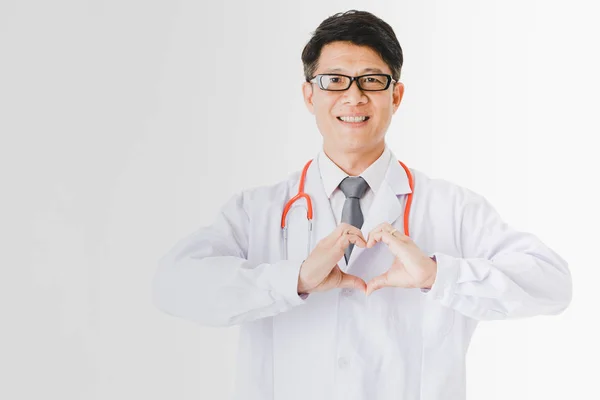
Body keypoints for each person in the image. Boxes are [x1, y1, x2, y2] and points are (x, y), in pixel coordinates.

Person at [151, 10, 572, 400]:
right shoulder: (257, 210)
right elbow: (173, 285)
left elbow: (553, 283)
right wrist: (293, 280)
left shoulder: (453, 208)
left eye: (372, 80)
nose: (354, 97)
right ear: (308, 94)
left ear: (397, 95)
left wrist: (438, 274)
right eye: (334, 80)